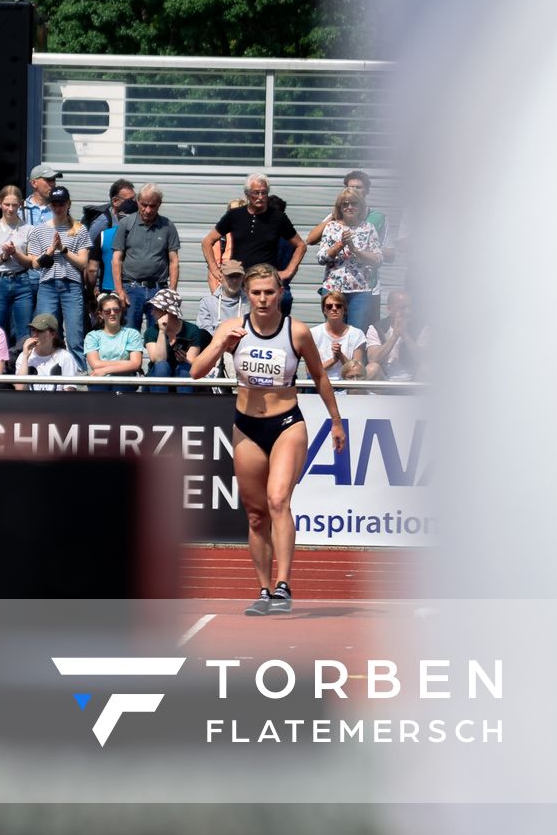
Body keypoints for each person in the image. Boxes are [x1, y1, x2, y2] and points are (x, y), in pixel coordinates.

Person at [188, 262, 347, 616]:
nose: (262, 299)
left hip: (287, 423)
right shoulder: (233, 328)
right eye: (256, 292)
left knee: (278, 500)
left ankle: (284, 585)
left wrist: (336, 421)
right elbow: (196, 371)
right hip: (246, 425)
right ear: (247, 294)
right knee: (257, 514)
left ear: (280, 294)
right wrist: (221, 346)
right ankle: (263, 589)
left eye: (269, 292)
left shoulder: (297, 332)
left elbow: (320, 377)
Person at [207, 174, 306, 314]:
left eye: (264, 192)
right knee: (239, 323)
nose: (260, 197)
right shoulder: (235, 215)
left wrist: (288, 271)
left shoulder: (278, 217)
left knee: (267, 324)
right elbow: (207, 242)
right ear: (247, 194)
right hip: (239, 281)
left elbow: (300, 245)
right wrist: (214, 270)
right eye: (256, 193)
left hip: (265, 282)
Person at [26, 186, 91, 357]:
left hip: (71, 285)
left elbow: (83, 263)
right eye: (54, 204)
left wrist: (63, 250)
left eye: (61, 204)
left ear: (68, 204)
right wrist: (49, 252)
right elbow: (34, 263)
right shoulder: (39, 230)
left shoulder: (79, 229)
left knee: (75, 337)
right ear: (49, 206)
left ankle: (78, 378)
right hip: (47, 285)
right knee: (47, 333)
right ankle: (51, 372)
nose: (58, 208)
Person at [112, 183, 180, 338]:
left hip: (158, 290)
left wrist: (171, 291)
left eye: (153, 206)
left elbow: (174, 261)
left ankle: (157, 363)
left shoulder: (168, 226)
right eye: (144, 205)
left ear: (159, 204)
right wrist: (120, 291)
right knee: (129, 336)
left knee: (158, 335)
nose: (148, 210)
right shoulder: (126, 224)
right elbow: (116, 259)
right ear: (137, 201)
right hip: (132, 289)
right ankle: (132, 363)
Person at [0, 184, 36, 364]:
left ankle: (21, 370)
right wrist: (4, 256)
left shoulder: (28, 229)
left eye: (14, 205)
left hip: (22, 280)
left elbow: (31, 262)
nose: (11, 209)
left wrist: (15, 254)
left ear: (20, 204)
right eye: (7, 204)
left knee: (23, 331)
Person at [317, 188, 384, 334]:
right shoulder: (331, 227)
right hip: (334, 290)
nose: (349, 207)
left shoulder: (368, 228)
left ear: (360, 206)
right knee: (334, 334)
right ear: (339, 207)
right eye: (345, 204)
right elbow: (321, 258)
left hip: (360, 291)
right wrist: (339, 245)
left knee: (357, 335)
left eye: (354, 203)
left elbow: (378, 259)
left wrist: (355, 250)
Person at [309, 289, 381, 384]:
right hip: (321, 384)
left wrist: (340, 355)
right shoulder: (313, 333)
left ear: (345, 310)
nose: (334, 309)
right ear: (324, 311)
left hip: (347, 385)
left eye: (338, 306)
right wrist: (333, 360)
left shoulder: (357, 334)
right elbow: (309, 371)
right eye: (329, 306)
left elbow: (357, 371)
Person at [144, 287, 210, 391]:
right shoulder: (151, 332)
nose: (152, 313)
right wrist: (162, 331)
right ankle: (158, 405)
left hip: (183, 375)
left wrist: (185, 359)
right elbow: (157, 359)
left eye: (155, 309)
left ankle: (184, 406)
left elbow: (193, 361)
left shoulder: (192, 330)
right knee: (162, 366)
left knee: (184, 369)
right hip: (157, 377)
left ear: (168, 312)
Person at [83, 291, 145, 389]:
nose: (112, 314)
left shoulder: (132, 334)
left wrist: (105, 370)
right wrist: (125, 363)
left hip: (125, 380)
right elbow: (95, 364)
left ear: (121, 312)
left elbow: (136, 364)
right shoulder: (92, 336)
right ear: (100, 314)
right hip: (100, 380)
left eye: (116, 310)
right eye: (107, 311)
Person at [90, 178, 137, 298]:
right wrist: (93, 288)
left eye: (135, 199)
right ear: (115, 201)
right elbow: (90, 257)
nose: (134, 203)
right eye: (129, 200)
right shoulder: (102, 222)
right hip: (107, 287)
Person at [368, 289, 428, 382]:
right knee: (372, 368)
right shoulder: (376, 328)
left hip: (414, 380)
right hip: (385, 380)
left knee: (427, 367)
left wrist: (405, 335)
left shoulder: (422, 328)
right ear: (389, 309)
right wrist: (394, 336)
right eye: (403, 307)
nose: (408, 312)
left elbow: (423, 359)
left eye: (410, 307)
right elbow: (373, 359)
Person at [14, 312, 80, 391]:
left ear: (53, 334)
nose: (35, 334)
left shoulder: (65, 357)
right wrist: (25, 357)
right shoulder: (23, 356)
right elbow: (20, 388)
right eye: (33, 330)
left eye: (40, 331)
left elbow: (70, 391)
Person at [197, 259, 251, 335]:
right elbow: (204, 333)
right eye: (230, 276)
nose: (234, 280)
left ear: (242, 278)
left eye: (238, 276)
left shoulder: (250, 302)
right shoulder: (207, 303)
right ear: (221, 277)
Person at [24, 163, 59, 227]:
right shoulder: (21, 209)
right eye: (49, 180)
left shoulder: (59, 208)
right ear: (34, 183)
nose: (53, 184)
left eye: (54, 180)